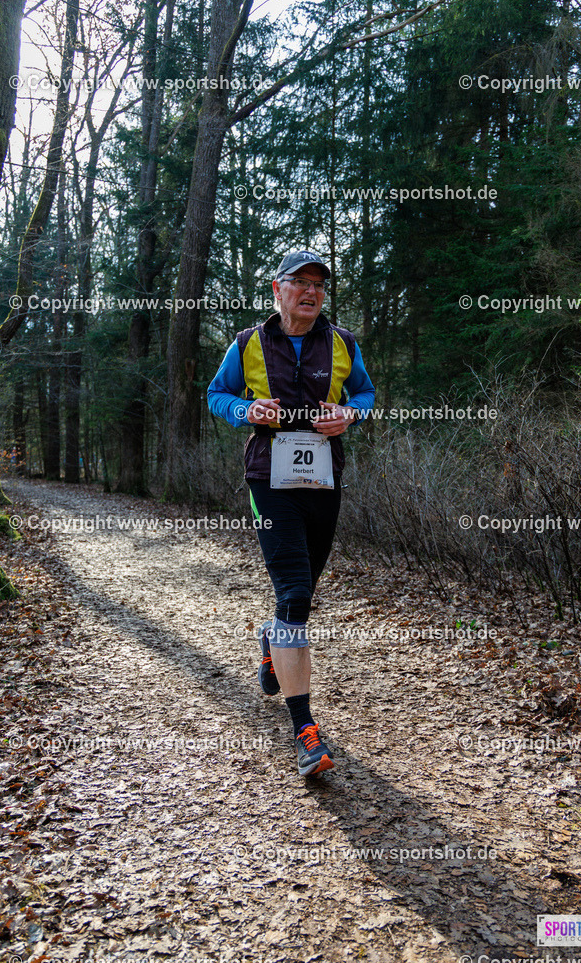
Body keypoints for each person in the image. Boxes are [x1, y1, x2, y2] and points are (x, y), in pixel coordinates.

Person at [207, 250, 375, 776]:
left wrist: (349, 414)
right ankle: (305, 730)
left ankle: (271, 635)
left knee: (298, 599)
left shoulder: (343, 342)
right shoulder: (248, 343)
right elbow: (217, 394)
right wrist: (245, 410)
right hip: (269, 478)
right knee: (296, 594)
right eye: (299, 282)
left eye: (318, 285)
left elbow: (365, 393)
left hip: (324, 480)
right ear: (277, 289)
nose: (310, 292)